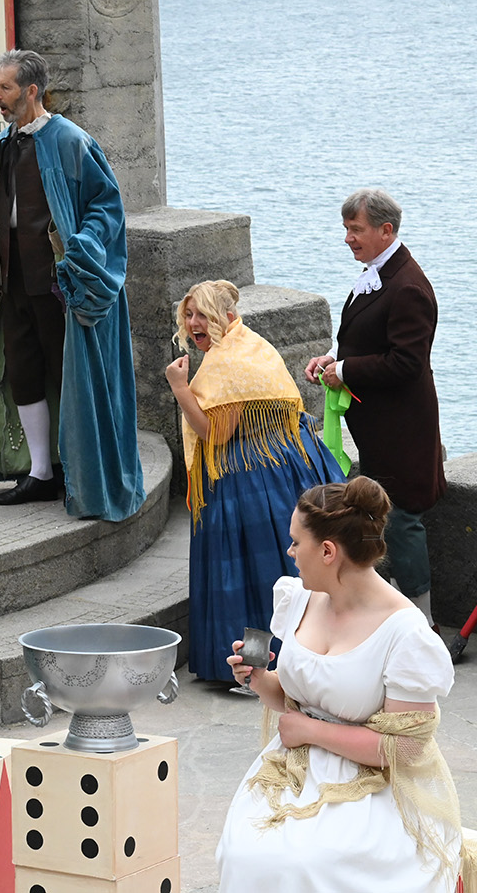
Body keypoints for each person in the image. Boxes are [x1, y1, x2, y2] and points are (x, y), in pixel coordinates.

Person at [216, 477, 461, 892]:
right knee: (244, 850)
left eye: (296, 543)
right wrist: (259, 679)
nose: (290, 553)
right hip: (294, 768)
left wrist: (310, 730)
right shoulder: (296, 599)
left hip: (373, 785)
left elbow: (405, 747)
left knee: (307, 864)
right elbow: (298, 698)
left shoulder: (405, 634)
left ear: (328, 551)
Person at [0, 49, 143, 521]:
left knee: (70, 377)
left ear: (31, 91)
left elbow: (106, 207)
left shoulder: (71, 141)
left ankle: (82, 474)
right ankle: (40, 475)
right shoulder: (6, 142)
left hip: (57, 288)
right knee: (24, 376)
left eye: (4, 88)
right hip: (13, 284)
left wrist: (81, 247)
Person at [165, 280, 344, 683]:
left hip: (249, 484)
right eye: (189, 314)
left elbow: (215, 434)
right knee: (287, 571)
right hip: (284, 468)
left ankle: (257, 667)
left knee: (251, 578)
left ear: (226, 317)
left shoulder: (226, 363)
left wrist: (180, 389)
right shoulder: (249, 343)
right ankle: (311, 651)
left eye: (203, 315)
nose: (194, 324)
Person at [304, 188, 445, 629]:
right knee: (388, 516)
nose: (348, 237)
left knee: (402, 519)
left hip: (403, 432)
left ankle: (424, 624)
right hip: (383, 430)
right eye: (346, 229)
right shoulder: (381, 271)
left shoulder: (408, 286)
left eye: (356, 229)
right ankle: (394, 613)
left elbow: (407, 362)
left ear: (386, 230)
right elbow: (368, 338)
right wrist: (334, 357)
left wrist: (345, 370)